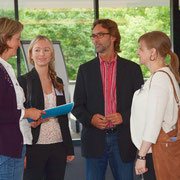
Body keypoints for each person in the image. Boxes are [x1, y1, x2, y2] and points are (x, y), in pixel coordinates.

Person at [72, 19, 144, 180]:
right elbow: (77, 107)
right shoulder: (85, 70)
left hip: (123, 140)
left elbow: (141, 106)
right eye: (93, 36)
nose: (95, 39)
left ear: (113, 37)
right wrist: (91, 119)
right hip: (94, 140)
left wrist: (123, 116)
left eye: (100, 35)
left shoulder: (133, 69)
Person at [18, 35, 75, 180]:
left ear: (51, 54)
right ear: (31, 54)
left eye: (46, 50)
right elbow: (18, 115)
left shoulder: (58, 82)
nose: (42, 54)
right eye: (37, 50)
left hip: (58, 145)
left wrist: (69, 147)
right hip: (34, 146)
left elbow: (63, 116)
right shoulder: (23, 81)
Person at [130, 31, 180, 179]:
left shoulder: (160, 79)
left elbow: (154, 122)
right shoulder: (162, 76)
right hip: (155, 149)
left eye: (141, 48)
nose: (138, 52)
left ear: (153, 52)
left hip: (155, 151)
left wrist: (141, 156)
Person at [0, 17, 45, 180]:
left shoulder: (6, 67)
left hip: (13, 146)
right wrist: (26, 114)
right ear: (5, 38)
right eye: (17, 39)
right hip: (6, 149)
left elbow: (9, 108)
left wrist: (27, 120)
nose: (20, 44)